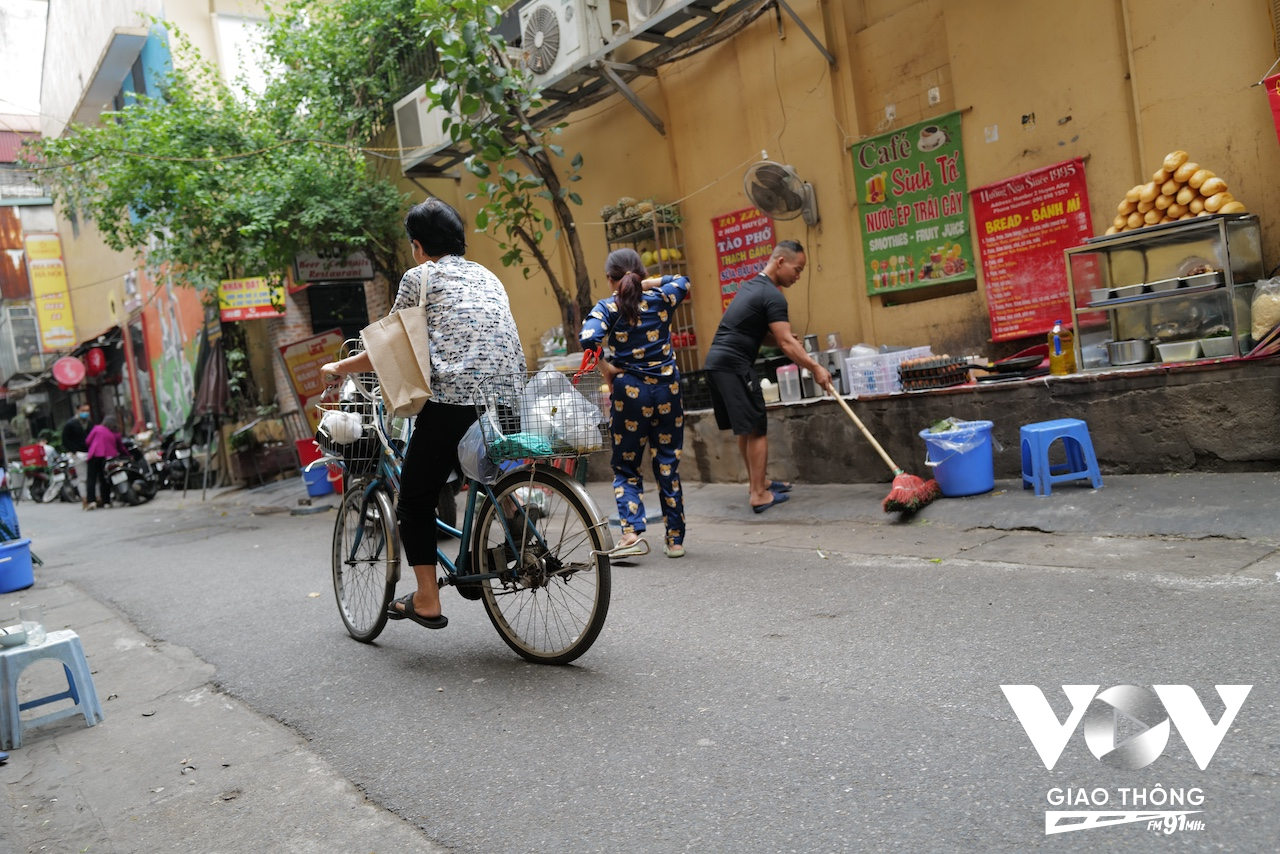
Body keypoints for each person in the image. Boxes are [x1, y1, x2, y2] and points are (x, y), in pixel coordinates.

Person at [320, 198, 525, 630]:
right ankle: (505, 528)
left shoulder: (421, 276)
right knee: (478, 468)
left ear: (417, 245)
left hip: (454, 398)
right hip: (507, 395)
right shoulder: (487, 275)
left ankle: (427, 599)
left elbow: (387, 346)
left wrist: (338, 367)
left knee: (413, 501)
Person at [702, 240, 831, 514]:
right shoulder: (773, 295)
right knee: (757, 428)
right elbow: (785, 344)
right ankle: (759, 494)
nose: (798, 276)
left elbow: (765, 336)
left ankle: (757, 484)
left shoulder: (752, 287)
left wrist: (784, 339)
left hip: (717, 363)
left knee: (745, 427)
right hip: (735, 364)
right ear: (781, 262)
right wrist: (816, 368)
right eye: (797, 270)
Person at [580, 249, 690, 559]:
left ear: (609, 279)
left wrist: (608, 369)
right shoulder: (663, 298)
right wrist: (648, 282)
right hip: (667, 389)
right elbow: (683, 280)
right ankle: (675, 540)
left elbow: (588, 338)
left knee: (626, 466)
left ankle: (631, 534)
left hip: (630, 393)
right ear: (641, 274)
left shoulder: (608, 307)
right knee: (667, 462)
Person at [84, 414, 125, 510]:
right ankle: (106, 501)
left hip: (94, 455)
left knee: (91, 479)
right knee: (104, 479)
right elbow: (121, 447)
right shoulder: (115, 433)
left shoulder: (97, 428)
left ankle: (91, 501)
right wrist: (127, 455)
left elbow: (87, 441)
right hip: (107, 457)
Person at [62, 403, 92, 508]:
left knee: (93, 477)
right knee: (82, 478)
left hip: (91, 453)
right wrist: (74, 451)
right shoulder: (71, 424)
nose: (86, 413)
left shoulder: (89, 423)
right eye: (83, 410)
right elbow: (65, 440)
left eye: (87, 410)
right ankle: (84, 500)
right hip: (78, 454)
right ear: (78, 410)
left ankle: (96, 498)